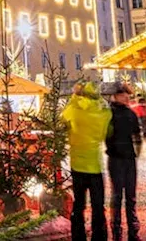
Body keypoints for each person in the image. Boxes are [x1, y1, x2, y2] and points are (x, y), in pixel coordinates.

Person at [63, 81, 112, 241]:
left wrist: (74, 97)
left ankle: (78, 236)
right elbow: (107, 132)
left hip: (77, 164)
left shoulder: (73, 110)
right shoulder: (103, 113)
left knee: (79, 204)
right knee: (98, 206)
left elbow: (63, 118)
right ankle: (99, 236)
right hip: (95, 166)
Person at [106, 82, 142, 241]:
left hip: (126, 158)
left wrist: (137, 150)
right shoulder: (109, 114)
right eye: (123, 95)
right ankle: (117, 230)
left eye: (127, 95)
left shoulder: (129, 114)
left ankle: (131, 231)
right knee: (118, 195)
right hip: (117, 158)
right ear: (115, 96)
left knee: (130, 195)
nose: (126, 98)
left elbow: (137, 135)